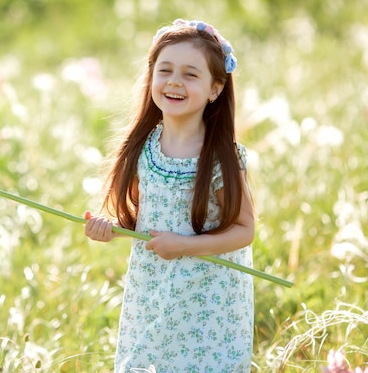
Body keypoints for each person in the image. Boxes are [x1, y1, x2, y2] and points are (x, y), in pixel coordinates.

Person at [84, 19, 255, 372]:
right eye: (165, 70)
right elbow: (137, 219)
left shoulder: (221, 157)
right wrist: (109, 227)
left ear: (215, 88)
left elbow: (244, 230)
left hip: (208, 301)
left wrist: (184, 245)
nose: (175, 81)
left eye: (191, 74)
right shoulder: (143, 147)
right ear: (152, 79)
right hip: (151, 294)